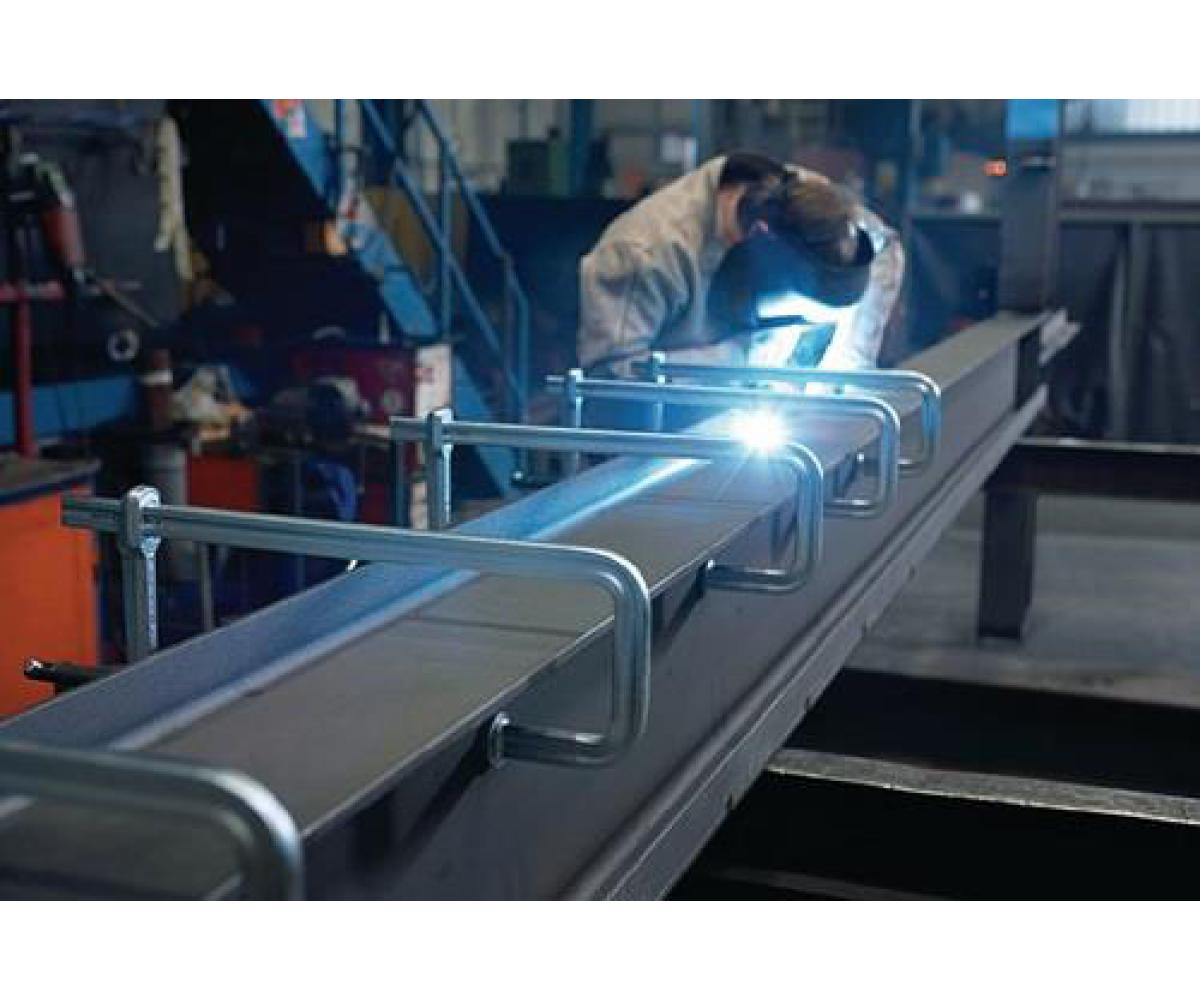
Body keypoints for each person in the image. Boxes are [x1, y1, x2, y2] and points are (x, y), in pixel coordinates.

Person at [576, 151, 904, 378]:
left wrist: (849, 361)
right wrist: (739, 361)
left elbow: (884, 246)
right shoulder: (646, 252)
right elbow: (610, 378)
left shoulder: (813, 203)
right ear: (760, 238)